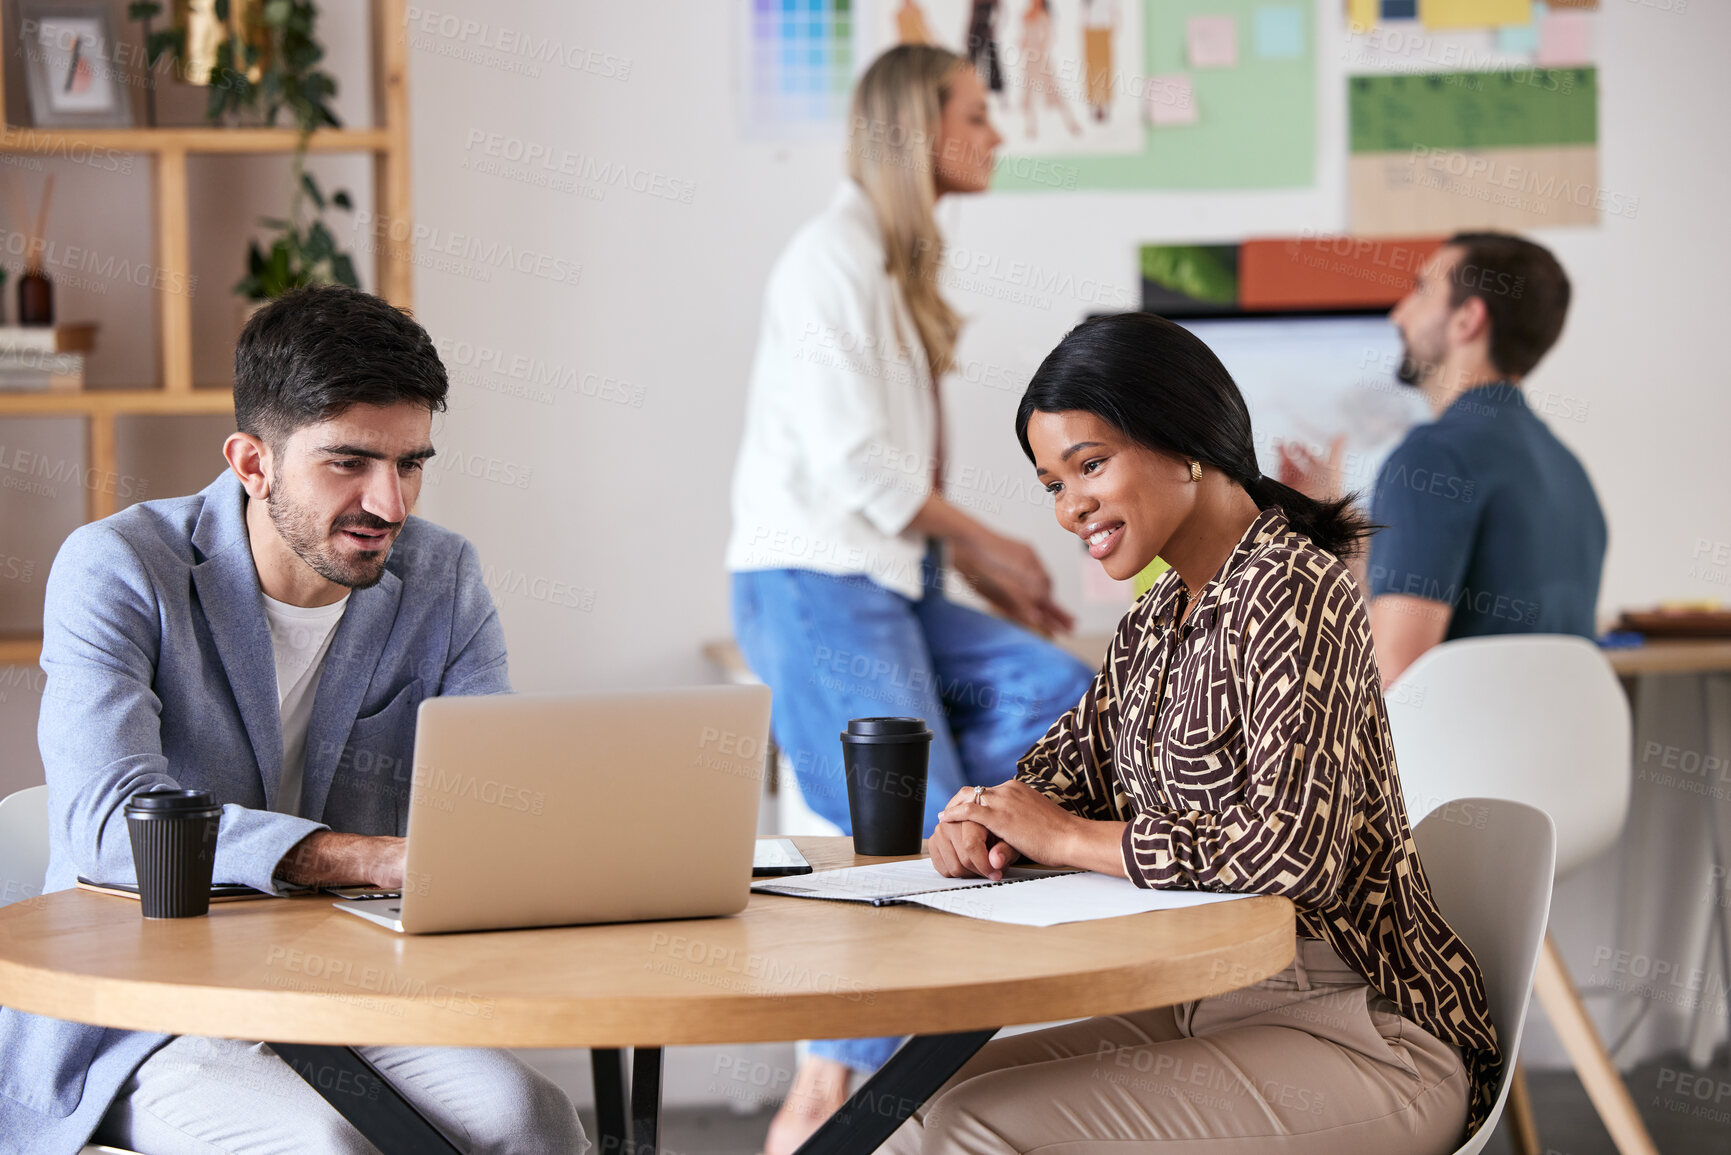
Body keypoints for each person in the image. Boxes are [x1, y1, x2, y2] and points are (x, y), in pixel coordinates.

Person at [890, 312, 1500, 1155]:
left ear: (1185, 443)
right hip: (1202, 1001)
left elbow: (1294, 852)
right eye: (1052, 484)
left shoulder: (1294, 588)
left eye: (1089, 465)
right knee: (906, 1100)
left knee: (972, 1126)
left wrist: (1067, 838)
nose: (1070, 508)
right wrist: (984, 817)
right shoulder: (1153, 619)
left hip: (1358, 1032)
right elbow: (1057, 778)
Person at [0, 286, 586, 1155]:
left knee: (530, 1121)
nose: (389, 504)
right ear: (252, 462)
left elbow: (484, 797)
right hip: (149, 1011)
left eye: (411, 463)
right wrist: (359, 854)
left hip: (348, 988)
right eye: (348, 462)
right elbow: (106, 823)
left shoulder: (440, 576)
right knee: (323, 1143)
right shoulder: (119, 568)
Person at [725, 44, 1095, 1155]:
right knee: (911, 848)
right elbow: (859, 470)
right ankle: (845, 1108)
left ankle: (848, 1078)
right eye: (979, 113)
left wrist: (974, 563)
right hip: (819, 588)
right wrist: (989, 546)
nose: (997, 135)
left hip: (888, 583)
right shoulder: (829, 261)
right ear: (916, 128)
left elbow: (891, 484)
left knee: (1066, 697)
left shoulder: (886, 265)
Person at [1282, 233, 1605, 685]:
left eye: (1421, 291)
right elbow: (1411, 598)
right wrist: (1328, 514)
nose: (1399, 313)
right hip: (1558, 754)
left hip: (1449, 754)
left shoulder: (1431, 457)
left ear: (1467, 320)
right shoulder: (1569, 471)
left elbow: (1397, 674)